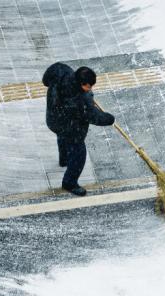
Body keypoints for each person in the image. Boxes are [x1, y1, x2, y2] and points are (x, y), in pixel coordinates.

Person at [43, 63, 115, 196]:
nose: (90, 89)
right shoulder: (80, 100)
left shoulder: (62, 71)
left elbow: (46, 80)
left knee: (62, 136)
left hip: (53, 119)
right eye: (88, 86)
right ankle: (69, 182)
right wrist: (110, 118)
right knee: (78, 153)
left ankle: (63, 159)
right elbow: (95, 117)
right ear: (81, 83)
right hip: (70, 127)